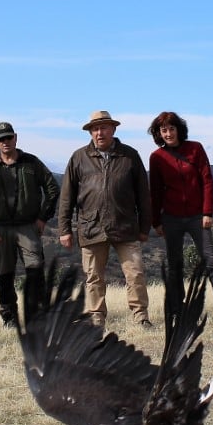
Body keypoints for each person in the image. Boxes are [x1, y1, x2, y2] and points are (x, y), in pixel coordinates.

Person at [58, 110, 154, 328]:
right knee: (93, 277)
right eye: (95, 128)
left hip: (126, 226)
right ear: (90, 132)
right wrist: (64, 229)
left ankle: (141, 316)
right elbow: (67, 197)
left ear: (113, 129)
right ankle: (96, 317)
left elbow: (143, 195)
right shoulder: (78, 157)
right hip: (91, 227)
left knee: (136, 273)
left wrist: (144, 227)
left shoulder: (130, 155)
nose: (99, 132)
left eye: (103, 127)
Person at [147, 111, 213, 324]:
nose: (168, 133)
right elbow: (155, 191)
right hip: (171, 218)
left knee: (211, 261)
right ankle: (178, 310)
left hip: (198, 216)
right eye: (164, 130)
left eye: (171, 129)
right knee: (175, 264)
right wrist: (156, 222)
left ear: (179, 130)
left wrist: (207, 212)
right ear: (159, 133)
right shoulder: (156, 157)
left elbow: (207, 180)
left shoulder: (195, 148)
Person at [0, 121, 60, 327]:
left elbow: (52, 189)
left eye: (9, 137)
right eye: (1, 139)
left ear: (16, 138)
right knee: (4, 275)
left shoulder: (32, 162)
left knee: (35, 271)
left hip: (28, 227)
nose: (6, 142)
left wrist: (42, 218)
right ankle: (9, 317)